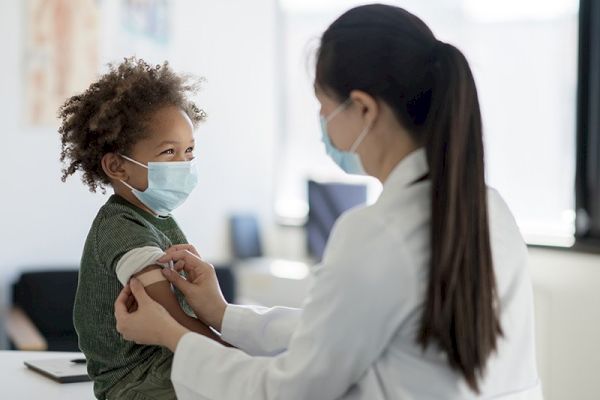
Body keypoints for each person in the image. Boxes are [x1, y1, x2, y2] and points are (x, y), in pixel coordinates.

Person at [114, 5, 542, 399]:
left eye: (323, 106)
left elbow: (288, 390)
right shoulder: (490, 208)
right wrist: (223, 314)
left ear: (363, 109)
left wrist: (173, 337)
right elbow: (335, 332)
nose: (322, 124)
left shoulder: (376, 232)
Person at [59, 57, 225, 400]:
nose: (184, 165)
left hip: (168, 364)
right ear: (117, 166)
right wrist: (236, 358)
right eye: (168, 152)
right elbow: (172, 319)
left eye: (189, 151)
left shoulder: (156, 216)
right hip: (136, 382)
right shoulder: (122, 229)